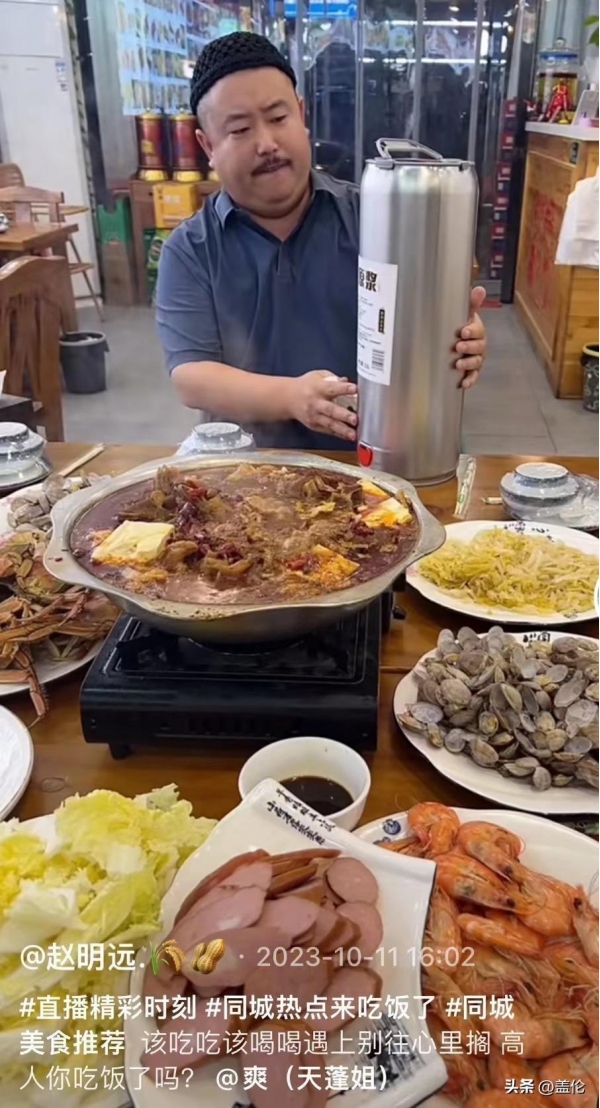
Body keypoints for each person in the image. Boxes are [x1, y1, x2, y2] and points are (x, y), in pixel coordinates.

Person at [156, 32, 487, 450]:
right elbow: (192, 377)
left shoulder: (376, 217)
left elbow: (426, 319)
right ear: (207, 144)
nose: (267, 144)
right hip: (250, 468)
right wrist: (292, 398)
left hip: (377, 456)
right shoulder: (190, 249)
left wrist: (459, 337)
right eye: (240, 129)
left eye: (279, 118)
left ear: (301, 114)